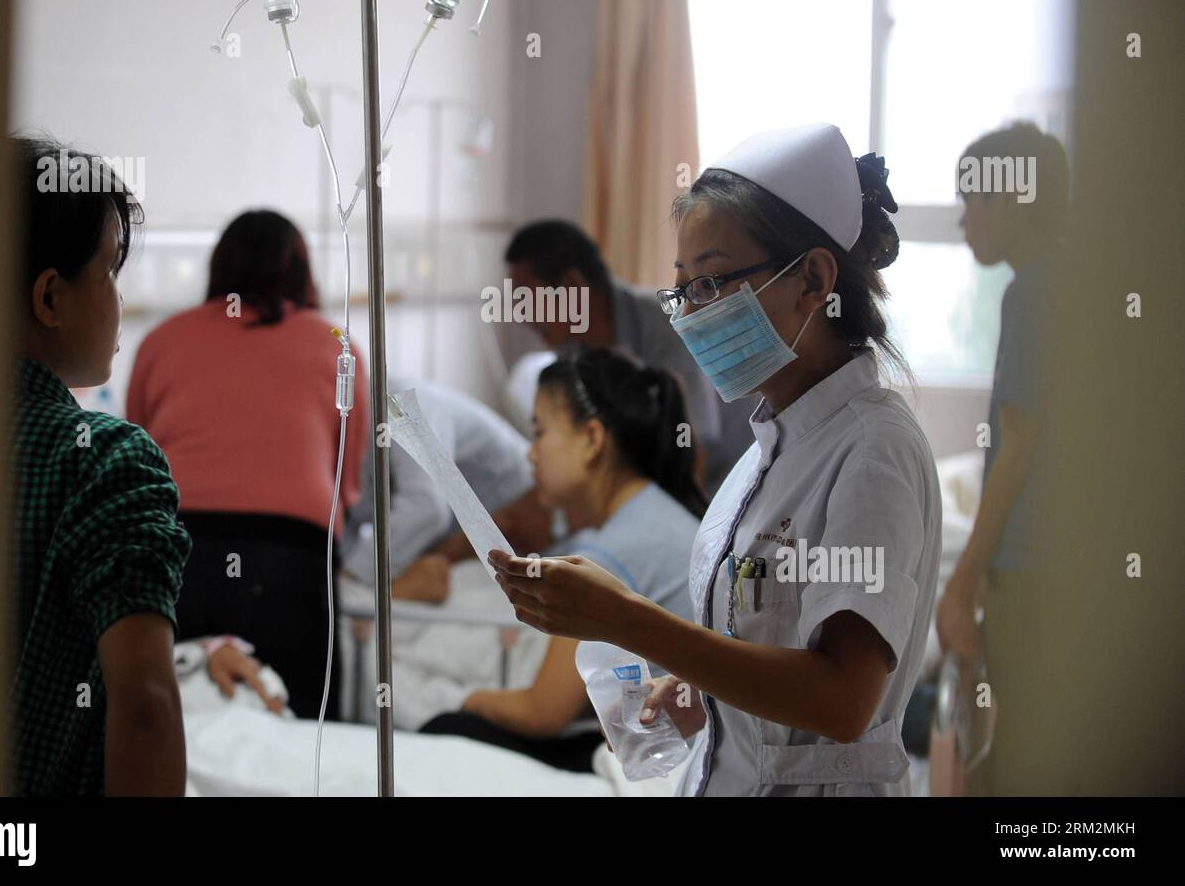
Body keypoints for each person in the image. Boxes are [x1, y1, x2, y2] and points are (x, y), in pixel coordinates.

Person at [491, 123, 942, 796]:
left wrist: (625, 618)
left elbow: (842, 701)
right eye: (682, 291)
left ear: (813, 280)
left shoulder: (873, 451)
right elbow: (774, 654)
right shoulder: (767, 455)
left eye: (709, 284)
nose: (690, 315)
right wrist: (698, 695)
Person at [127, 209, 369, 719]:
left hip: (181, 556)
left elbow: (138, 468)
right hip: (292, 563)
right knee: (306, 733)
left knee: (182, 728)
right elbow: (346, 484)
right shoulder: (338, 349)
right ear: (302, 271)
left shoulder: (161, 341)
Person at [421, 348, 704, 771]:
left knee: (449, 728)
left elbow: (543, 713)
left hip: (673, 752)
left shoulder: (610, 553)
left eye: (539, 433)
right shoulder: (657, 514)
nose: (530, 454)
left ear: (592, 439)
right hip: (692, 734)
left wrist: (462, 699)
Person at [11, 133, 190, 795]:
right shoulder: (106, 464)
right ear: (50, 298)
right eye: (110, 270)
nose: (118, 299)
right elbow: (143, 701)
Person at [937, 122, 1069, 795]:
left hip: (1036, 570)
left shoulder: (1038, 290)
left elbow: (1016, 447)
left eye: (974, 200)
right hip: (1046, 568)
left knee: (1013, 765)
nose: (963, 219)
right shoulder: (1065, 285)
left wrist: (961, 583)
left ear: (1016, 199)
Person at [505, 220, 751, 495]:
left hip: (725, 487)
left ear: (571, 285)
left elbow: (691, 450)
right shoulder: (571, 348)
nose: (522, 315)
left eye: (526, 299)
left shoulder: (667, 328)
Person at [342, 375, 534, 602]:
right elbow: (350, 518)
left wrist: (352, 578)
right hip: (466, 546)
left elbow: (428, 508)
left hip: (531, 525)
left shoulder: (397, 403)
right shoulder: (342, 435)